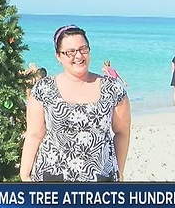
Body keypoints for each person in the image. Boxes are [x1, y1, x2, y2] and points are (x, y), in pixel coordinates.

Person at [19, 24, 131, 182]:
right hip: (52, 180)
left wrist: (119, 172)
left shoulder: (113, 89)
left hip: (100, 180)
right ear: (58, 56)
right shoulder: (43, 89)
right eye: (70, 52)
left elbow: (122, 133)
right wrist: (24, 175)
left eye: (83, 49)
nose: (78, 56)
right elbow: (34, 134)